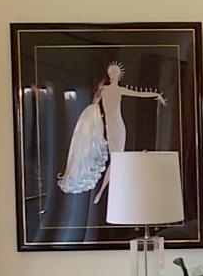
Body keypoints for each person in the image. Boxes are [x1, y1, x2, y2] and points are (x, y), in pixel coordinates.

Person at [56, 61, 166, 197]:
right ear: (110, 75)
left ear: (119, 75)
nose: (113, 75)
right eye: (111, 73)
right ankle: (105, 191)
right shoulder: (104, 90)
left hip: (118, 126)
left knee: (117, 159)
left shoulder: (117, 90)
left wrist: (156, 95)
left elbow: (138, 94)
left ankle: (103, 192)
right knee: (116, 160)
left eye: (115, 73)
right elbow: (94, 104)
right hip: (110, 127)